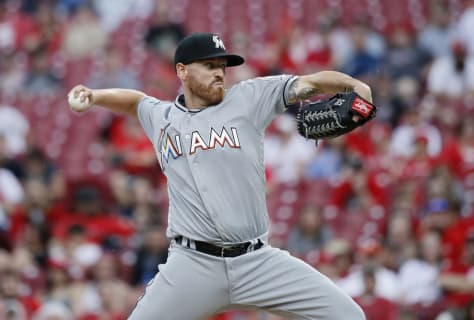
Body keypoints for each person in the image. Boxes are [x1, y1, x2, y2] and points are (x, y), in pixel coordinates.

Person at [68, 32, 372, 320]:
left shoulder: (250, 98)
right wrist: (95, 95)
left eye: (222, 67)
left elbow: (309, 83)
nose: (219, 73)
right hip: (192, 265)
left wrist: (354, 87)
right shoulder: (161, 117)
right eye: (209, 65)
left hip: (257, 261)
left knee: (348, 315)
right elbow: (134, 101)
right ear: (182, 71)